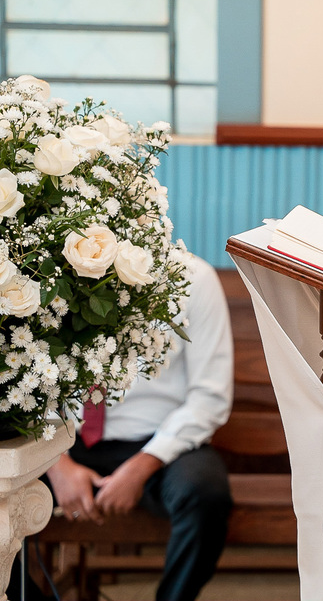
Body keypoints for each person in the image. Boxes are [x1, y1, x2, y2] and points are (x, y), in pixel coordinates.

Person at [19, 255, 234, 601]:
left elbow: (210, 397)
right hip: (60, 440)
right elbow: (22, 386)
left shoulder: (193, 277)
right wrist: (57, 465)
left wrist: (142, 466)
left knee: (205, 494)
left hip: (157, 444)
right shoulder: (45, 269)